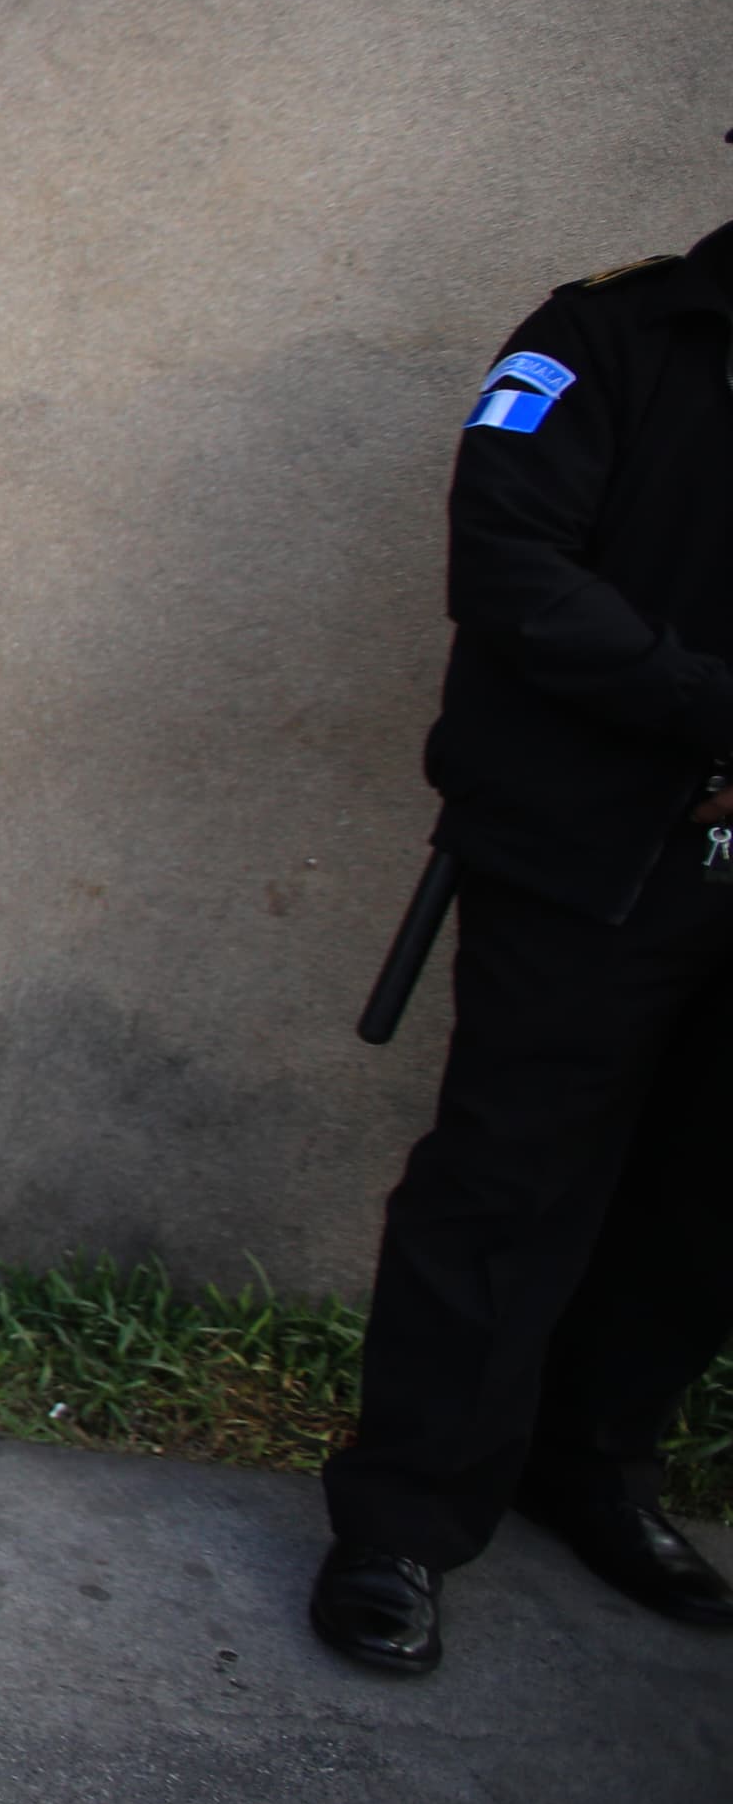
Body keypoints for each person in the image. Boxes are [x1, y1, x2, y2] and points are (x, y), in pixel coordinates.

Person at [310, 204, 733, 1674]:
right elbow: (511, 566)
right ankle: (405, 1521)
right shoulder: (605, 338)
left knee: (705, 1200)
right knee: (506, 1187)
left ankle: (597, 1464)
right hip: (592, 856)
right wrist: (707, 701)